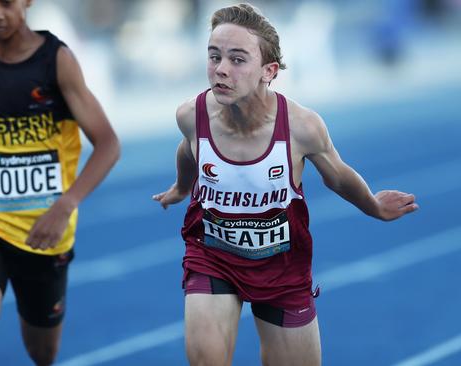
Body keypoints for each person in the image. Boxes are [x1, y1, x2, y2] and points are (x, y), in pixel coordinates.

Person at [152, 3, 418, 365]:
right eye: (214, 56)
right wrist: (183, 187)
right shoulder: (192, 115)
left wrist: (373, 205)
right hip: (213, 255)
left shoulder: (301, 127)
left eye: (237, 59)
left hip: (281, 266)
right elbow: (188, 150)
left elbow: (336, 175)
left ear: (268, 71)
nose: (221, 69)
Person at [0, 0, 120, 365]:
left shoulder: (56, 61)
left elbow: (108, 144)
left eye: (6, 3)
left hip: (43, 228)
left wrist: (64, 206)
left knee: (43, 351)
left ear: (27, 2)